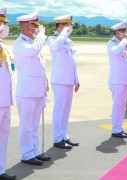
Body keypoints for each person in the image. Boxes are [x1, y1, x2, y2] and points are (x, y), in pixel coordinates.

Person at [13, 12, 51, 165]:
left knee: (34, 125)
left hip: (36, 91)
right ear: (27, 27)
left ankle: (34, 151)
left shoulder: (31, 43)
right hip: (27, 92)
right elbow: (33, 50)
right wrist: (42, 36)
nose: (37, 28)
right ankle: (27, 154)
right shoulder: (20, 43)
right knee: (27, 125)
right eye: (35, 25)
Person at [48, 15, 80, 149]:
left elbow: (73, 62)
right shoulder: (53, 39)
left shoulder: (67, 41)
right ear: (60, 26)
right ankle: (57, 139)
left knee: (66, 110)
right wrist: (63, 34)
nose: (70, 29)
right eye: (68, 26)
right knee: (59, 110)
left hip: (68, 80)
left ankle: (64, 136)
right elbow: (55, 47)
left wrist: (76, 79)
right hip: (60, 80)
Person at [107, 21, 127, 138]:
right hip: (117, 80)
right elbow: (115, 51)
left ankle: (119, 127)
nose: (125, 33)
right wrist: (125, 40)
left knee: (122, 105)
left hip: (123, 80)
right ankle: (115, 129)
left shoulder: (121, 44)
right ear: (117, 32)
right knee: (117, 105)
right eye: (123, 31)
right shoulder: (112, 44)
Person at [0, 7, 17, 180]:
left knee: (3, 136)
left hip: (5, 99)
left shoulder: (3, 46)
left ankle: (0, 169)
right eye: (2, 23)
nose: (4, 27)